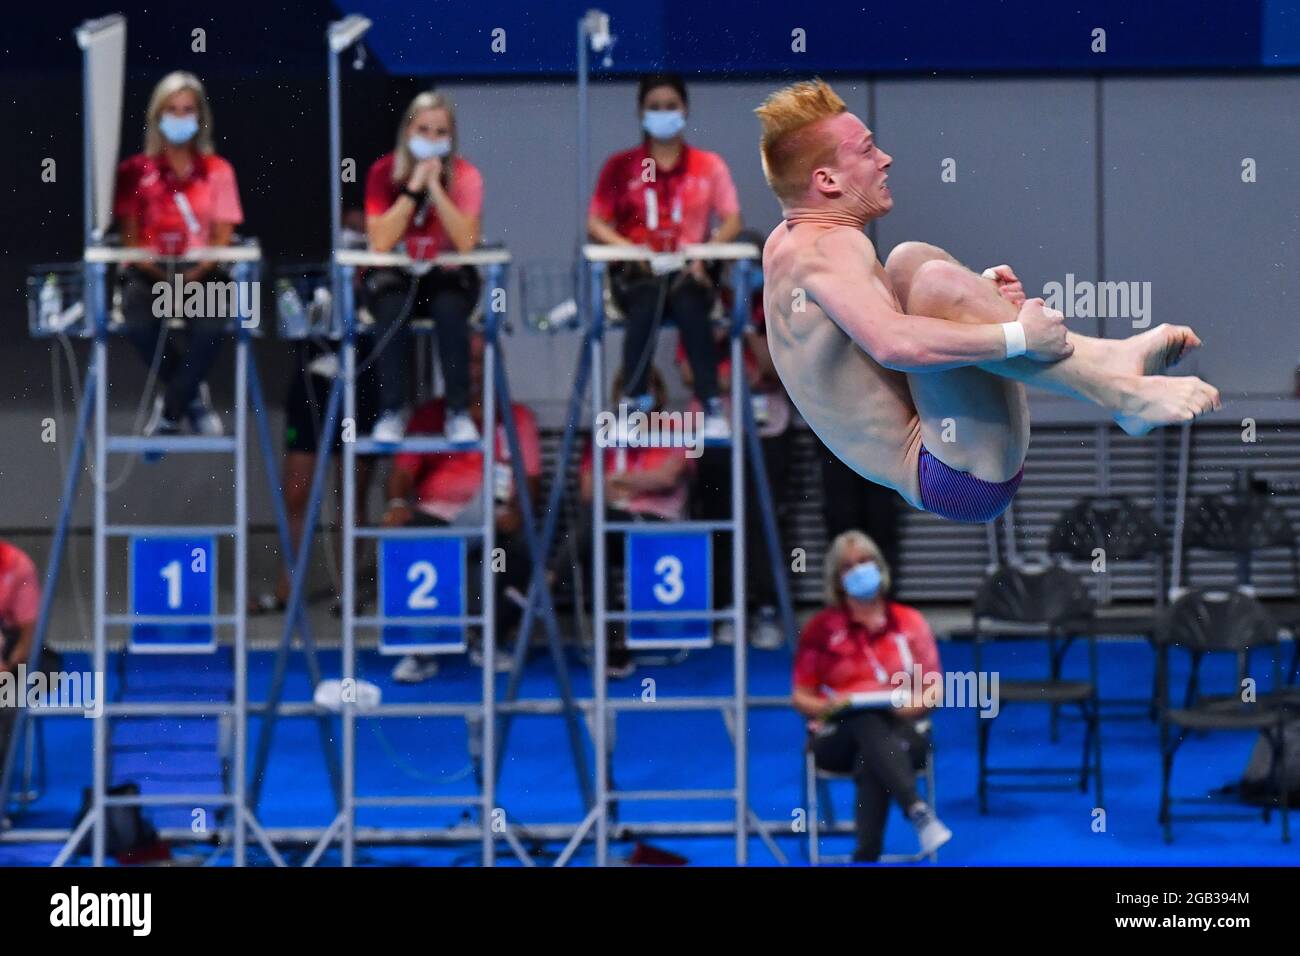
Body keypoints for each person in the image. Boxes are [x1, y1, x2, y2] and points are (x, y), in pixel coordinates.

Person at [755, 80, 1221, 524]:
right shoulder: (828, 251)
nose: (886, 159)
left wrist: (975, 298)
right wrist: (1016, 334)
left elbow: (877, 329)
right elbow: (892, 344)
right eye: (867, 150)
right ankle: (1121, 395)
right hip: (950, 471)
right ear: (827, 180)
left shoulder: (791, 239)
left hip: (946, 446)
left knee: (913, 263)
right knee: (934, 282)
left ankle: (1111, 357)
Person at [588, 73, 743, 440]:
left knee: (690, 303)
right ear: (640, 112)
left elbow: (733, 219)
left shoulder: (709, 165)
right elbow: (595, 223)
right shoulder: (620, 166)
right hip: (640, 272)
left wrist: (706, 255)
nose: (663, 113)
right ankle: (633, 401)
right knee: (646, 301)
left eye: (670, 106)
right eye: (654, 107)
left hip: (690, 271)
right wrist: (630, 249)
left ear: (685, 109)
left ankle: (711, 404)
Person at [381, 334, 540, 683]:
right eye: (464, 362)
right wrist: (395, 503)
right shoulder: (428, 416)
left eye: (478, 361)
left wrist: (516, 508)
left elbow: (528, 482)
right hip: (435, 518)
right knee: (409, 538)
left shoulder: (516, 417)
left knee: (517, 554)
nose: (471, 370)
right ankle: (421, 650)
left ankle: (489, 640)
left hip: (491, 520)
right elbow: (402, 473)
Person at [792, 529, 950, 862]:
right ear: (837, 579)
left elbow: (934, 688)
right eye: (848, 566)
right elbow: (801, 697)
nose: (859, 570)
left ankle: (867, 852)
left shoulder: (910, 623)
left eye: (864, 562)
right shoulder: (820, 629)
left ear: (879, 567)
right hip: (837, 737)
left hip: (902, 728)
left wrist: (910, 707)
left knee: (874, 746)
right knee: (863, 718)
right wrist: (830, 706)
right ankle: (916, 808)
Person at [113, 71, 244, 437]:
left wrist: (192, 275)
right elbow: (130, 241)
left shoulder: (218, 171)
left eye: (188, 110)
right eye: (172, 109)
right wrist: (164, 277)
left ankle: (171, 409)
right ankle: (191, 400)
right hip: (151, 272)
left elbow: (221, 240)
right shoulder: (134, 172)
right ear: (157, 116)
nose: (180, 117)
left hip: (202, 272)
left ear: (200, 117)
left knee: (212, 323)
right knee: (136, 321)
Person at [364, 91, 484, 445]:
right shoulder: (382, 172)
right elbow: (381, 240)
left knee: (449, 310)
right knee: (390, 305)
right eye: (423, 130)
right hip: (396, 275)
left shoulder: (466, 176)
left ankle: (458, 411)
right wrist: (414, 188)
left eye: (440, 133)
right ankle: (392, 410)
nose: (431, 140)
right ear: (407, 132)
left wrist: (436, 187)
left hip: (446, 274)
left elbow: (466, 241)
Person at [678, 280, 793, 649]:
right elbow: (691, 375)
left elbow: (777, 372)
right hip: (715, 434)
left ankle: (766, 609)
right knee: (717, 515)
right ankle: (726, 606)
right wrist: (724, 346)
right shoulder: (703, 306)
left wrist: (747, 330)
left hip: (767, 431)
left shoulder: (774, 308)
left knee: (764, 520)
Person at [576, 368, 696, 678]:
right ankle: (614, 641)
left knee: (592, 531)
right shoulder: (607, 431)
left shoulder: (678, 426)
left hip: (659, 526)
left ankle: (548, 579)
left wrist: (619, 481)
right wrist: (640, 483)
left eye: (648, 390)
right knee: (594, 539)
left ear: (660, 393)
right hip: (613, 524)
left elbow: (668, 477)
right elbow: (589, 491)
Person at [0, 540, 41, 778]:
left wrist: (11, 663)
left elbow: (29, 634)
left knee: (6, 702)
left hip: (14, 657)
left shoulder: (17, 564)